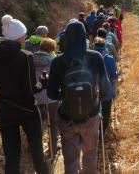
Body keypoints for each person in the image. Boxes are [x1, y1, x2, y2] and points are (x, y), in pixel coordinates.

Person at [0, 15, 48, 174]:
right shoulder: (26, 57)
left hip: (5, 111)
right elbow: (31, 90)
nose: (25, 37)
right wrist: (43, 82)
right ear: (18, 38)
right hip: (28, 110)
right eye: (24, 35)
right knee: (37, 152)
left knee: (12, 156)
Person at [47, 21, 110, 174]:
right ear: (84, 37)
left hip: (67, 117)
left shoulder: (57, 61)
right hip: (91, 115)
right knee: (89, 155)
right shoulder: (95, 57)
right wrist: (96, 99)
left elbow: (51, 94)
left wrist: (65, 95)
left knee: (70, 160)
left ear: (66, 38)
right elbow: (106, 89)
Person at [33, 38, 59, 158]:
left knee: (36, 124)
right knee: (53, 123)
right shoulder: (53, 60)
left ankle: (34, 149)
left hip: (35, 97)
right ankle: (52, 149)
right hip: (50, 97)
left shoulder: (30, 58)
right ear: (51, 49)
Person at [93, 37, 118, 132]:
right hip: (107, 91)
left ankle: (96, 133)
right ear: (105, 47)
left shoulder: (90, 58)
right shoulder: (110, 59)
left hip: (93, 91)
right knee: (105, 114)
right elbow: (114, 78)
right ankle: (102, 131)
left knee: (94, 114)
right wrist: (114, 91)